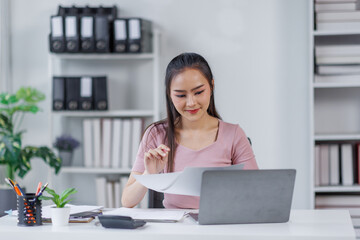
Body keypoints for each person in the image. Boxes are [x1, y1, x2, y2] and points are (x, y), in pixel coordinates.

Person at [121, 52, 258, 209]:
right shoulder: (157, 134)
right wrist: (149, 174)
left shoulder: (233, 134)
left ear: (212, 86)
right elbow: (127, 201)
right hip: (176, 229)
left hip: (220, 225)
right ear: (169, 94)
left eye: (199, 92)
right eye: (180, 95)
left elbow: (255, 194)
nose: (191, 103)